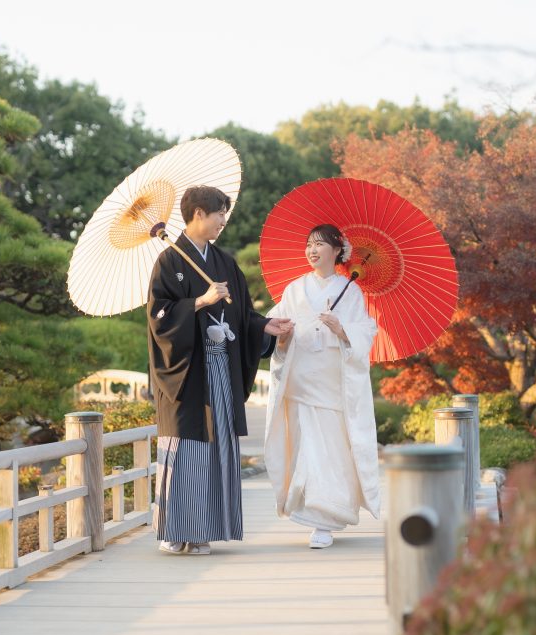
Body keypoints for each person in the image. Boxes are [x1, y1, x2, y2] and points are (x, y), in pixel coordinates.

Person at [147, 185, 293, 555]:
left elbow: (241, 314)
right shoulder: (169, 262)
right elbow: (158, 319)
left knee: (216, 447)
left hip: (220, 368)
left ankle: (202, 531)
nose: (222, 221)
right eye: (218, 214)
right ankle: (173, 530)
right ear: (198, 214)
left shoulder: (224, 262)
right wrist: (199, 301)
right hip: (186, 373)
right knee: (185, 446)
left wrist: (264, 327)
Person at [263, 224, 380, 549]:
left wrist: (342, 328)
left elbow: (366, 332)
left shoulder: (350, 290)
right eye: (309, 245)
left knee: (330, 447)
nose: (312, 250)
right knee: (305, 446)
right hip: (301, 379)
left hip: (331, 382)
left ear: (337, 251)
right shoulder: (295, 289)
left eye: (320, 244)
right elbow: (275, 325)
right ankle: (313, 516)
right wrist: (282, 332)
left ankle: (326, 519)